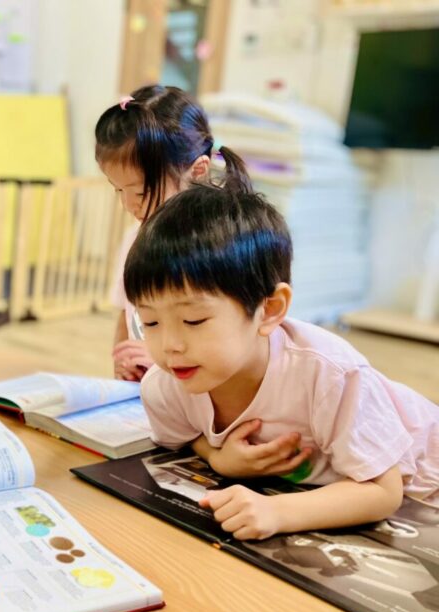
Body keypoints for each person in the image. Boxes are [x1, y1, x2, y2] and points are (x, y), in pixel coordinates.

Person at [124, 181, 439, 540]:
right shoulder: (165, 385)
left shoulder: (329, 374)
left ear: (269, 309)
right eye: (150, 322)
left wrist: (277, 512)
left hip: (425, 488)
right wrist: (216, 457)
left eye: (194, 320)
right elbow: (184, 436)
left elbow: (383, 491)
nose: (170, 346)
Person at [93, 84, 248, 382]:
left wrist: (161, 361)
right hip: (149, 391)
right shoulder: (135, 239)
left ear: (198, 171)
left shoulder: (219, 247)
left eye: (141, 192)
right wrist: (122, 366)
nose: (128, 204)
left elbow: (231, 343)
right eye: (118, 190)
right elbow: (126, 314)